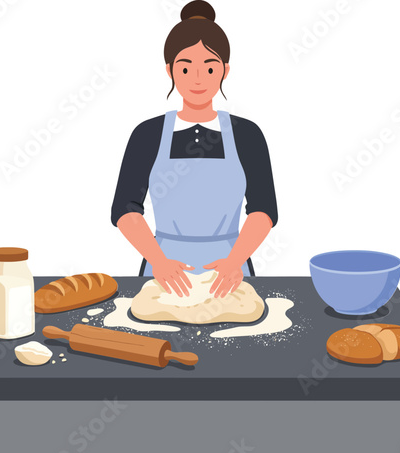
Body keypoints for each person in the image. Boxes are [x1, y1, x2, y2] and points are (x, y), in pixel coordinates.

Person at [111, 0, 277, 299]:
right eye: (185, 67)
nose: (198, 78)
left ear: (225, 70)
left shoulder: (246, 134)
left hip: (230, 273)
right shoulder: (147, 135)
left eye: (209, 67)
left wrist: (234, 261)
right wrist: (159, 262)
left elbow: (263, 209)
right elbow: (125, 209)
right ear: (170, 70)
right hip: (162, 273)